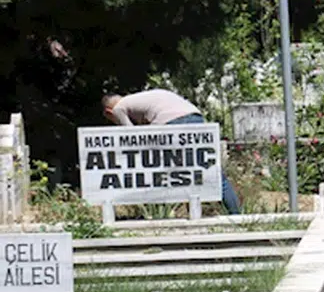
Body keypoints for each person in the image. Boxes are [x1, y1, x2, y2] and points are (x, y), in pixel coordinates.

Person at [102, 89, 241, 214]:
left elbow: (133, 137)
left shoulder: (118, 108)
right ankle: (235, 215)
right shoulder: (140, 100)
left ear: (108, 112)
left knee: (160, 171)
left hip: (171, 122)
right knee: (210, 173)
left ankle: (160, 212)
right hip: (195, 117)